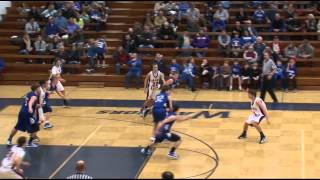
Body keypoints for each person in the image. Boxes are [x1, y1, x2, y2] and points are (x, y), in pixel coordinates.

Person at [6, 83, 42, 148]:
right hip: (28, 114)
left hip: (22, 112)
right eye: (39, 88)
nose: (40, 89)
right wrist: (30, 108)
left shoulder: (29, 94)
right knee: (36, 128)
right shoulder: (34, 96)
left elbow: (29, 102)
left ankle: (9, 140)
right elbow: (30, 103)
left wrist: (37, 106)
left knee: (17, 126)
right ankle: (30, 143)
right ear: (36, 89)